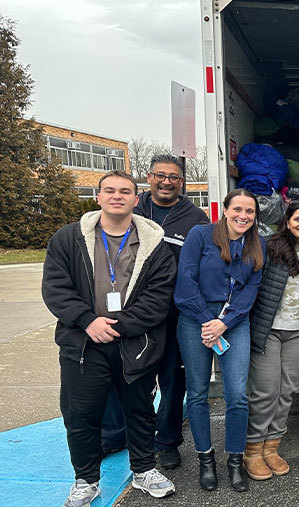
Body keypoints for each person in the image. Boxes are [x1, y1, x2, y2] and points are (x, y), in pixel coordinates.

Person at [42, 170, 177, 506]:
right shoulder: (67, 239)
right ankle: (86, 480)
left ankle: (144, 470)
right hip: (84, 344)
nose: (118, 196)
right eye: (110, 191)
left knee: (141, 410)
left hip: (135, 343)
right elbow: (55, 289)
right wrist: (87, 321)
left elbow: (158, 299)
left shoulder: (155, 247)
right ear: (98, 197)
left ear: (136, 199)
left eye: (125, 191)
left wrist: (116, 325)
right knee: (81, 414)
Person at [101, 154, 209, 469]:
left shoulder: (195, 218)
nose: (166, 182)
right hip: (130, 312)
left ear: (182, 181)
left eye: (174, 177)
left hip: (175, 315)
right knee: (122, 376)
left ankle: (167, 442)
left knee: (173, 381)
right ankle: (115, 435)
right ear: (148, 177)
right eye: (160, 175)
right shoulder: (130, 209)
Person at [174, 189, 266, 492]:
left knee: (238, 395)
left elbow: (249, 292)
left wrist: (224, 323)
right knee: (198, 392)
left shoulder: (257, 244)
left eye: (250, 211)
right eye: (237, 209)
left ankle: (235, 462)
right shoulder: (200, 235)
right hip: (195, 319)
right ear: (224, 210)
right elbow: (186, 282)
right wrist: (207, 321)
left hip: (234, 322)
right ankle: (206, 460)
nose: (243, 216)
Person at [246, 202, 299, 480]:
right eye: (297, 219)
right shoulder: (271, 248)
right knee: (266, 390)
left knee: (288, 390)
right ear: (288, 221)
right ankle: (252, 450)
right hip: (269, 329)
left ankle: (272, 447)